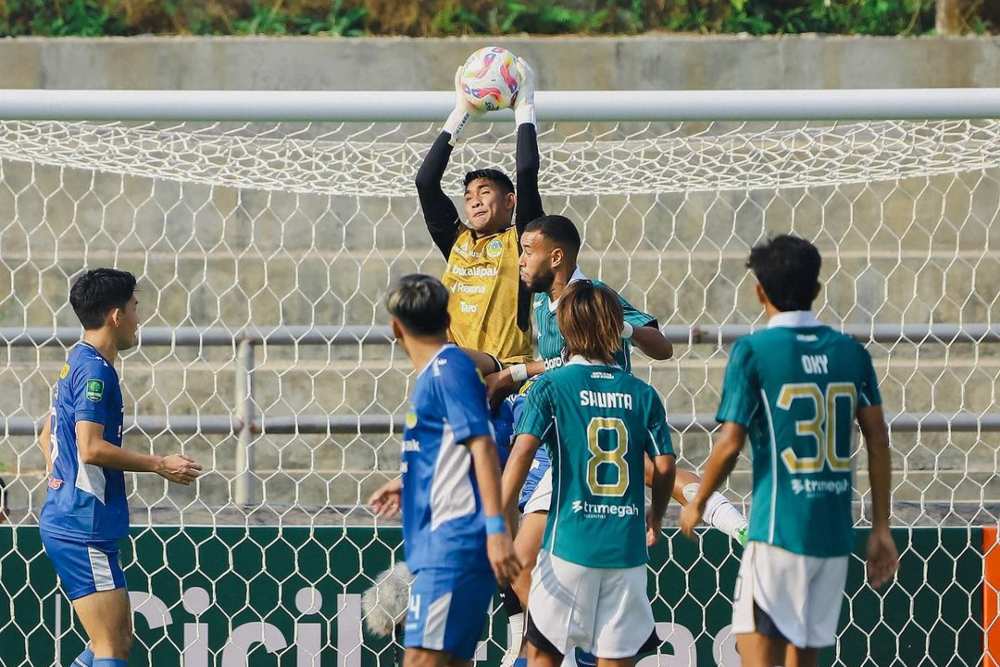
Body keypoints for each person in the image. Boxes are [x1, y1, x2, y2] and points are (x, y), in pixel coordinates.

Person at [495, 215, 748, 667]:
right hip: (595, 455)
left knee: (526, 556)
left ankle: (727, 518)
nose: (520, 260)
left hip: (593, 428)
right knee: (654, 474)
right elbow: (557, 361)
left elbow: (661, 346)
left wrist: (620, 327)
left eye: (527, 250)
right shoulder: (543, 302)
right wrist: (516, 373)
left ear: (556, 256)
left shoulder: (591, 297)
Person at [679, 235, 899, 667]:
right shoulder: (851, 353)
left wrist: (698, 501)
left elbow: (730, 442)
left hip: (777, 533)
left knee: (752, 649)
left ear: (759, 291)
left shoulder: (754, 351)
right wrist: (881, 527)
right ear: (816, 291)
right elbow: (877, 439)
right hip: (832, 537)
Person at [501, 280, 676, 667]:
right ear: (616, 329)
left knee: (543, 657)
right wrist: (657, 515)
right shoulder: (641, 392)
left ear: (563, 328)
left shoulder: (549, 386)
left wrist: (502, 526)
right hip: (626, 553)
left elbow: (521, 458)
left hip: (569, 548)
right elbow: (664, 466)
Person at [37, 268, 201, 667]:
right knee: (111, 646)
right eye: (135, 307)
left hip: (76, 519)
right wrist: (160, 463)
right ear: (116, 315)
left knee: (112, 640)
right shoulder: (94, 371)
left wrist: (62, 479)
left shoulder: (77, 358)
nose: (138, 317)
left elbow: (46, 434)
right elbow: (90, 448)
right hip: (83, 527)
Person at [367, 274, 521, 667]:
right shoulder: (441, 371)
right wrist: (410, 480)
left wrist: (498, 530)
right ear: (446, 317)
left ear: (395, 328)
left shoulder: (447, 368)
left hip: (452, 546)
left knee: (421, 660)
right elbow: (456, 449)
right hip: (445, 546)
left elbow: (483, 446)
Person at [414, 57, 543, 368]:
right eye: (469, 196)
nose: (474, 201)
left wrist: (524, 107)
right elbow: (425, 182)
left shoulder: (523, 241)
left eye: (485, 192)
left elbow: (526, 171)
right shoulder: (457, 240)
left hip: (510, 375)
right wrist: (462, 112)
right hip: (460, 373)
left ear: (511, 201)